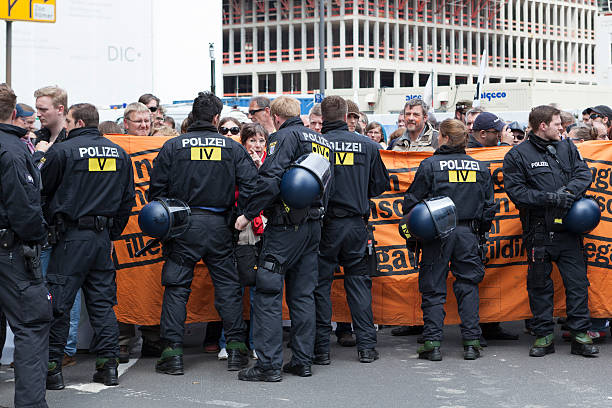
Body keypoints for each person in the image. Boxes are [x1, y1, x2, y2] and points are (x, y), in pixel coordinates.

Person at [149, 92, 258, 375]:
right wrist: (240, 218)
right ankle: (235, 349)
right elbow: (252, 187)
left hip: (182, 225)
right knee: (227, 288)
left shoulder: (173, 146)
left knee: (176, 288)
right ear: (215, 118)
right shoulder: (232, 148)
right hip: (220, 225)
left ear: (193, 117)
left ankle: (172, 353)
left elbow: (156, 192)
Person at [235, 95, 334, 382]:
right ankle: (302, 361)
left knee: (267, 292)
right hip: (313, 225)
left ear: (275, 117)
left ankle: (268, 366)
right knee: (303, 295)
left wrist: (248, 212)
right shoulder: (322, 140)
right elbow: (329, 184)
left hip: (285, 228)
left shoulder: (283, 137)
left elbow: (270, 179)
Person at [42, 103, 135, 389]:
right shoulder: (119, 153)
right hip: (101, 239)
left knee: (59, 305)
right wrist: (109, 234)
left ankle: (53, 369)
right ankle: (108, 368)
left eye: (68, 121)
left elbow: (43, 193)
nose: (66, 126)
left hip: (70, 238)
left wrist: (50, 228)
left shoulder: (62, 151)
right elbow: (126, 201)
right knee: (103, 306)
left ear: (79, 123)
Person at [503, 105, 598, 358]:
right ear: (542, 126)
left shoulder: (567, 147)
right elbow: (518, 194)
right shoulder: (517, 155)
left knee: (577, 284)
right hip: (539, 231)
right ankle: (544, 335)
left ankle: (580, 334)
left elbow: (583, 174)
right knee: (539, 286)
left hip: (570, 230)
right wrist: (550, 198)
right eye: (557, 124)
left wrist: (568, 194)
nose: (562, 128)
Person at [403, 118, 495, 361]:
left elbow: (411, 203)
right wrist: (479, 231)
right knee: (468, 286)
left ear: (442, 136)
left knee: (433, 288)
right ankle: (472, 342)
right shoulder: (480, 167)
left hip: (437, 233)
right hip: (468, 233)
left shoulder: (430, 165)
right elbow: (489, 208)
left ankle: (432, 343)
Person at [314, 95, 389, 365]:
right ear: (347, 116)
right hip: (356, 224)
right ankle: (367, 347)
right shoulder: (368, 145)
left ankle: (321, 349)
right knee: (358, 283)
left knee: (320, 286)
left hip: (325, 225)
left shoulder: (317, 144)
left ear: (323, 118)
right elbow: (380, 186)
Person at [0, 83, 51, 408]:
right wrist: (38, 237)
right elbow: (25, 206)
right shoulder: (13, 150)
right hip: (11, 250)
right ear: (13, 112)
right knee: (32, 324)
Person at [33, 86, 68, 156]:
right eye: (37, 109)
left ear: (60, 109)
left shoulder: (72, 137)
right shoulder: (36, 137)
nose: (38, 114)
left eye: (43, 110)